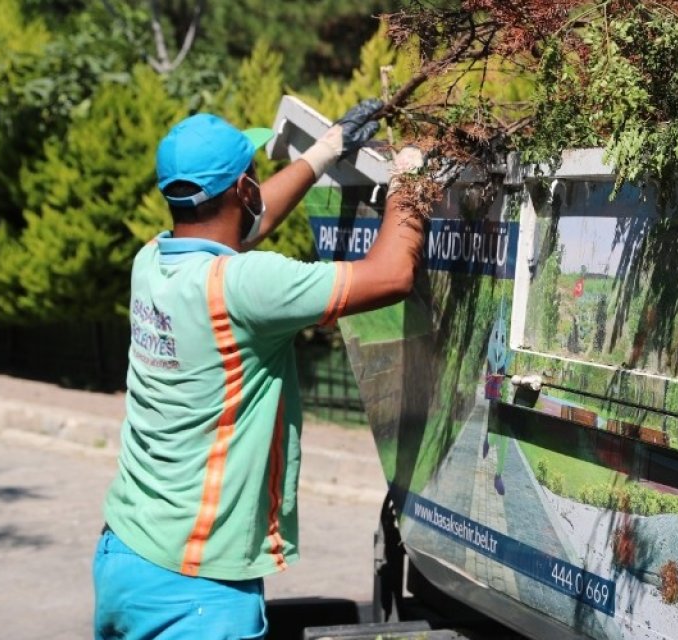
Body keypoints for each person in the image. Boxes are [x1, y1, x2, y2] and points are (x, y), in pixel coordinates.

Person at [92, 99, 427, 639]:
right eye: (252, 177)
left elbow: (246, 221)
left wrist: (325, 151)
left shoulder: (151, 261)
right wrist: (411, 177)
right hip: (198, 586)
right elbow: (391, 275)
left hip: (126, 556)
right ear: (242, 190)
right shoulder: (245, 287)